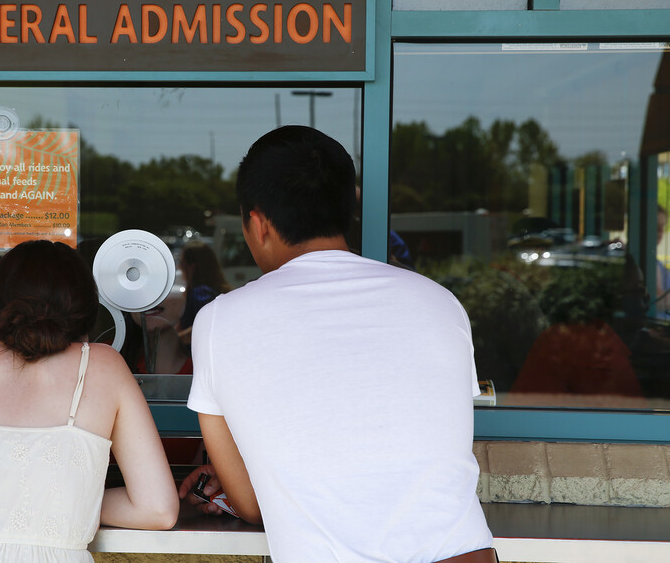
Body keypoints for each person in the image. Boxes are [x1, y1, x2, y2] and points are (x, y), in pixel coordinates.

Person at [178, 126, 495, 563]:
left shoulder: (219, 322)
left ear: (257, 223)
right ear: (349, 210)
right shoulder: (439, 302)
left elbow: (250, 505)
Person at [0, 240, 178, 563]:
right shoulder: (102, 365)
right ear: (85, 303)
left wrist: (1, 504)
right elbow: (158, 509)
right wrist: (60, 506)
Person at [177, 242, 231, 346]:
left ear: (192, 267)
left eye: (182, 263)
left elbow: (206, 326)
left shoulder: (200, 294)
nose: (179, 267)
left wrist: (175, 340)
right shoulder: (216, 291)